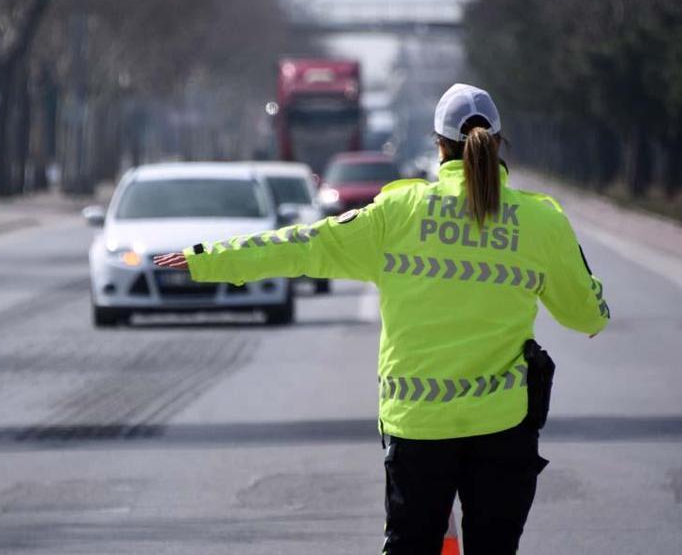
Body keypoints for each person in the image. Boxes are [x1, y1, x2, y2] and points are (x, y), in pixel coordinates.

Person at [154, 83, 610, 555]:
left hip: (417, 429)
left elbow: (302, 244)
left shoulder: (398, 214)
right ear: (499, 142)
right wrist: (593, 301)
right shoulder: (540, 222)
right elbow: (586, 316)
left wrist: (206, 259)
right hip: (503, 427)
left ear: (439, 146)